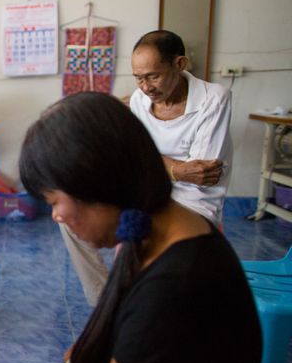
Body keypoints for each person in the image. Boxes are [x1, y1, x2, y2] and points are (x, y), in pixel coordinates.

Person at [18, 92, 261, 363]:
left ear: (95, 181)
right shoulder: (157, 231)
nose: (56, 216)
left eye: (55, 202)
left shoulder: (179, 291)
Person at [62, 30, 233, 304]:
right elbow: (137, 158)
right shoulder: (141, 100)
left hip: (193, 204)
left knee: (143, 244)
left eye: (153, 76)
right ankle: (103, 297)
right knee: (70, 213)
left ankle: (131, 300)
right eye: (138, 78)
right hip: (145, 192)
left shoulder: (214, 98)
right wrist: (177, 169)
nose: (145, 87)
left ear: (179, 64)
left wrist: (152, 163)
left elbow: (202, 175)